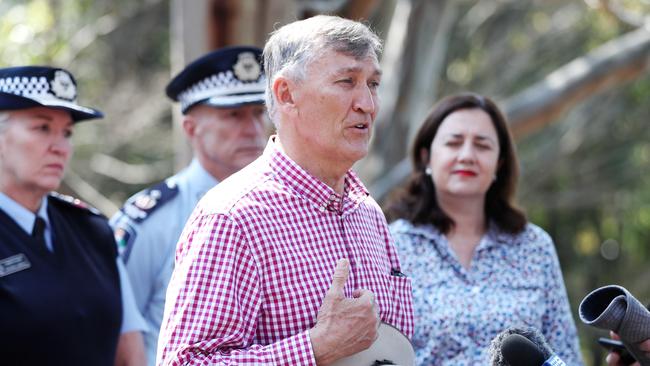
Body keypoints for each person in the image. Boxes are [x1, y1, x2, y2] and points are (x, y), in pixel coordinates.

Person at [157, 15, 414, 365]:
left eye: (373, 84)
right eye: (346, 81)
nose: (367, 104)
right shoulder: (232, 219)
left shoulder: (367, 212)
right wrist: (315, 348)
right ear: (286, 93)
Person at [385, 93, 583, 365]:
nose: (467, 155)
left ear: (499, 162)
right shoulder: (390, 245)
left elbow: (566, 355)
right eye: (454, 143)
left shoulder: (535, 246)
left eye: (482, 145)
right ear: (426, 157)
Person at [109, 46, 268, 366]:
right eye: (233, 115)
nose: (252, 129)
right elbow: (115, 328)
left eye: (257, 112)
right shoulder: (152, 219)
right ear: (191, 129)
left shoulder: (286, 207)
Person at [0, 65, 146, 365]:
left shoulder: (92, 230)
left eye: (67, 133)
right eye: (42, 128)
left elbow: (130, 354)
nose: (61, 147)